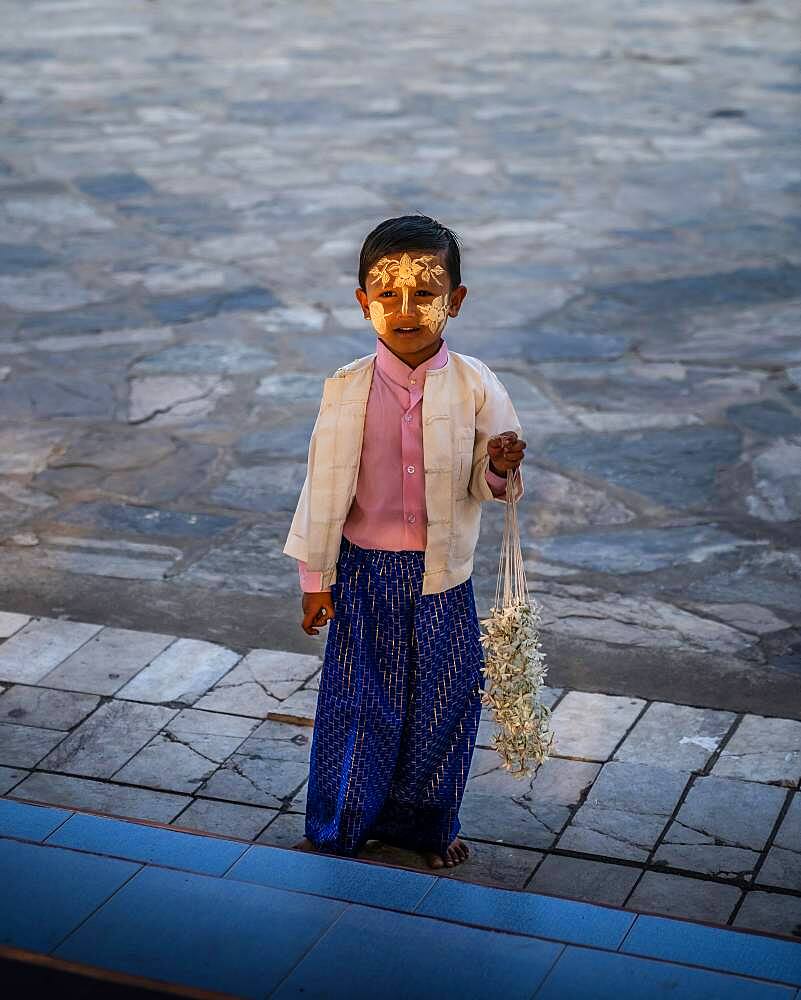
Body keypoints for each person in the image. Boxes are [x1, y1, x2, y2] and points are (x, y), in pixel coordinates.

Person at [282, 214, 526, 869]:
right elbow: (322, 487)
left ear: (457, 301)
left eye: (425, 291)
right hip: (363, 577)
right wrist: (314, 580)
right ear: (362, 302)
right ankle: (338, 827)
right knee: (358, 705)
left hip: (443, 579)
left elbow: (489, 484)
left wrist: (500, 464)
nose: (405, 308)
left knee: (443, 706)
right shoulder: (345, 389)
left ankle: (423, 827)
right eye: (386, 293)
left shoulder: (477, 385)